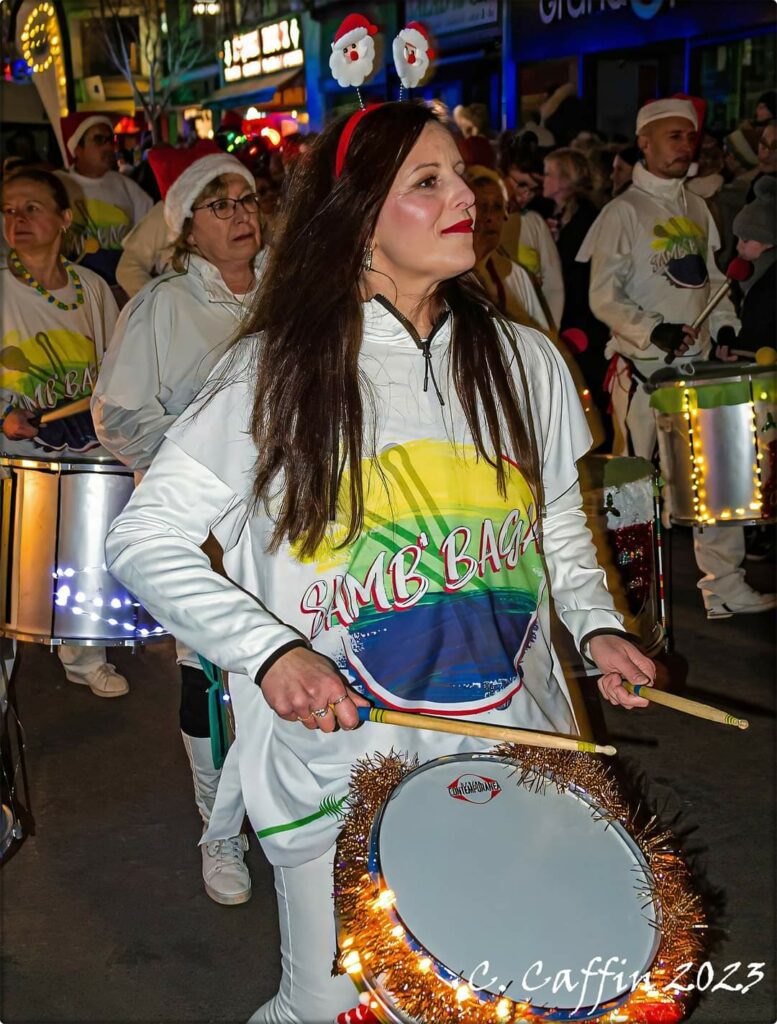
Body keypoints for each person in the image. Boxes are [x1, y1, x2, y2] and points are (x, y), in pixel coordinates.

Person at [103, 101, 654, 1022]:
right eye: (426, 183)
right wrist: (270, 652)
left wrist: (595, 624)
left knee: (501, 994)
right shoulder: (274, 372)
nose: (465, 199)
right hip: (349, 758)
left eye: (461, 177)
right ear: (358, 218)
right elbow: (143, 538)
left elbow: (556, 517)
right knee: (334, 1008)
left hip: (514, 739)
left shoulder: (524, 358)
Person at [92, 153, 264, 905]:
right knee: (209, 671)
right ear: (187, 228)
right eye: (219, 205)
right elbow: (119, 416)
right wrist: (206, 465)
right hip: (206, 521)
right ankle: (218, 828)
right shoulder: (162, 306)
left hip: (290, 517)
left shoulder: (291, 293)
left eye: (246, 199)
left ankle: (296, 811)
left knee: (295, 659)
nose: (240, 215)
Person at [578, 96, 775, 619]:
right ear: (644, 142)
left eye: (689, 137)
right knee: (631, 486)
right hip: (643, 372)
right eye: (673, 136)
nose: (685, 145)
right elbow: (603, 296)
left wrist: (725, 323)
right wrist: (652, 330)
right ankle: (628, 595)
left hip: (699, 369)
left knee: (718, 478)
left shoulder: (696, 207)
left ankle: (724, 586)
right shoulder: (622, 212)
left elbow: (713, 280)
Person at [0, 168, 127, 697]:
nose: (18, 219)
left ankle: (84, 656)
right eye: (9, 211)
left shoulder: (91, 288)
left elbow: (117, 365)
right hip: (12, 455)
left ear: (64, 218)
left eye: (31, 207)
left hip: (81, 451)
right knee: (7, 575)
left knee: (81, 555)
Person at [543, 147, 611, 438]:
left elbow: (577, 271)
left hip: (584, 320)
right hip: (576, 316)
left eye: (548, 173)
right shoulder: (566, 216)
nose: (543, 180)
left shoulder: (586, 219)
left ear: (564, 180)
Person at [56, 113, 153, 291]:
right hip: (72, 289)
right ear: (77, 149)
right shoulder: (57, 185)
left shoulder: (126, 186)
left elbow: (151, 234)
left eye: (110, 140)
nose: (109, 146)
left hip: (120, 290)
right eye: (99, 140)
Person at [500, 152, 564, 328]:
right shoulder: (480, 222)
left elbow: (553, 284)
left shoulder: (533, 222)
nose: (526, 195)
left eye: (534, 189)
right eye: (521, 185)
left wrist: (550, 332)